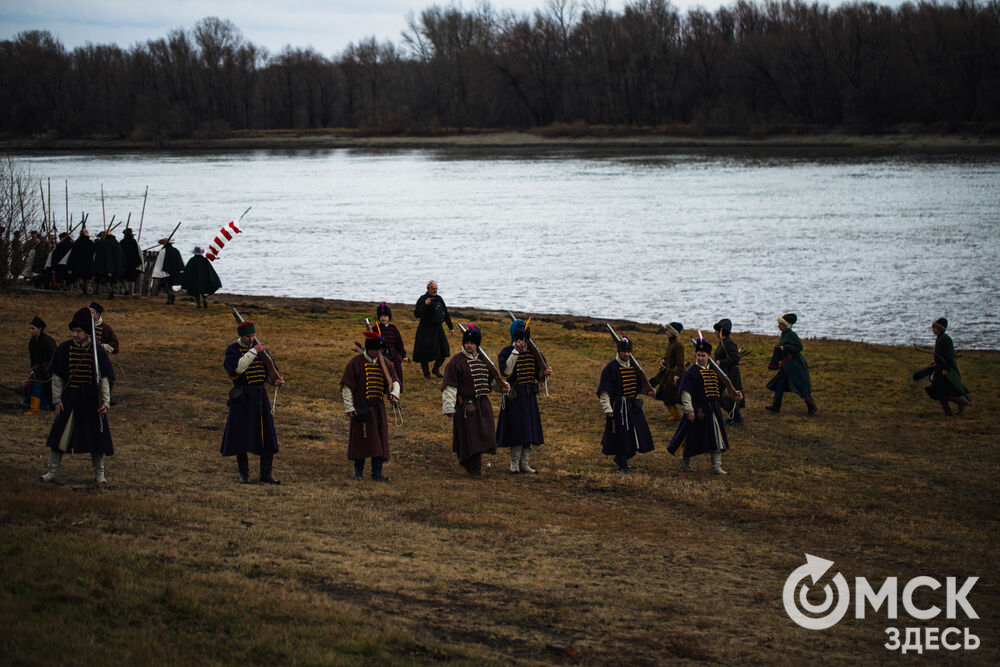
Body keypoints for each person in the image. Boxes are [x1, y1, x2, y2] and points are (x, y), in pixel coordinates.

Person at [40, 307, 115, 484]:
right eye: (73, 331)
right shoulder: (64, 348)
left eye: (78, 331)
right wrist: (57, 400)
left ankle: (99, 475)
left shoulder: (98, 351)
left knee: (97, 439)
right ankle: (51, 472)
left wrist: (106, 401)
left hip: (91, 399)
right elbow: (57, 378)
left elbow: (103, 379)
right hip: (70, 397)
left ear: (86, 332)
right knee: (59, 437)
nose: (75, 334)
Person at [220, 320, 285, 484]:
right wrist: (254, 351)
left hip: (260, 396)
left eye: (253, 335)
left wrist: (274, 381)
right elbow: (237, 369)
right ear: (241, 336)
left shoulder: (261, 350)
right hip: (242, 397)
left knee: (267, 436)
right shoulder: (233, 350)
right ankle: (244, 474)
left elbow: (269, 372)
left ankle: (266, 475)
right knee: (241, 437)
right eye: (248, 336)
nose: (251, 339)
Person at [667, 336, 743, 474]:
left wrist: (735, 394)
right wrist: (689, 410)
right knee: (691, 438)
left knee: (717, 437)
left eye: (703, 355)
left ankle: (716, 466)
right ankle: (686, 461)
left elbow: (722, 389)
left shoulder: (714, 372)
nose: (700, 358)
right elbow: (685, 393)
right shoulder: (691, 372)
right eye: (698, 355)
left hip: (713, 409)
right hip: (697, 409)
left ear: (708, 356)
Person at [441, 324, 508, 476]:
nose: (469, 345)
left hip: (483, 405)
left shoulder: (484, 361)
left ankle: (471, 464)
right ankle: (473, 467)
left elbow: (492, 382)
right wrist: (449, 408)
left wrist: (503, 387)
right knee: (469, 438)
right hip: (466, 407)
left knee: (484, 435)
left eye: (472, 343)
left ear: (477, 344)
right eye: (466, 342)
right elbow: (449, 387)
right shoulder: (456, 362)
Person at [341, 330, 401, 481]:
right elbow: (347, 387)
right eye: (376, 350)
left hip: (378, 409)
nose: (378, 353)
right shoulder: (355, 363)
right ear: (369, 349)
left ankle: (377, 472)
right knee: (360, 441)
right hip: (361, 408)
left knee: (380, 440)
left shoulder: (385, 363)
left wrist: (394, 394)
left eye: (380, 350)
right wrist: (349, 407)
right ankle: (358, 471)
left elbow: (395, 381)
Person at [496, 319, 552, 473]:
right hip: (515, 397)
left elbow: (539, 376)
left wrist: (545, 372)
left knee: (529, 430)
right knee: (517, 431)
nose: (522, 342)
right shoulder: (507, 352)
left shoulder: (534, 352)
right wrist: (515, 351)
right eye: (519, 338)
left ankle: (524, 463)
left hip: (529, 396)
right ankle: (514, 463)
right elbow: (506, 372)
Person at [597, 335, 655, 474]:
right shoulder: (610, 368)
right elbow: (604, 391)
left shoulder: (634, 367)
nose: (626, 354)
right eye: (624, 351)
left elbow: (638, 387)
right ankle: (622, 465)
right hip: (618, 407)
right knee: (621, 438)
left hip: (632, 406)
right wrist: (607, 408)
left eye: (629, 351)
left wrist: (649, 392)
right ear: (619, 351)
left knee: (638, 435)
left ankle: (622, 459)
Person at [914, 317, 971, 416]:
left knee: (942, 392)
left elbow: (949, 356)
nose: (933, 331)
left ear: (940, 329)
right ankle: (948, 412)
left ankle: (960, 402)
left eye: (934, 328)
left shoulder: (945, 339)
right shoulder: (940, 338)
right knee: (939, 391)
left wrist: (946, 369)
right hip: (939, 369)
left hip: (945, 370)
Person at [765, 313, 817, 415]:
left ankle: (812, 406)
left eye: (781, 324)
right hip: (786, 365)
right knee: (779, 383)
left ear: (786, 325)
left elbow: (799, 347)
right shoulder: (784, 334)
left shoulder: (791, 334)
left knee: (801, 385)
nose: (778, 326)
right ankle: (776, 406)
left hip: (795, 365)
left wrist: (785, 348)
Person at [413, 281, 454, 379]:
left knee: (444, 350)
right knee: (424, 353)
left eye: (436, 289)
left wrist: (451, 327)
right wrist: (425, 305)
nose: (435, 290)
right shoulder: (423, 299)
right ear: (428, 289)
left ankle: (436, 369)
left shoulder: (439, 299)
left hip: (438, 328)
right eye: (433, 289)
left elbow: (445, 313)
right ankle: (426, 374)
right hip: (425, 329)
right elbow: (416, 313)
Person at [713, 318, 745, 426]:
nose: (715, 332)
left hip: (730, 374)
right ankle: (733, 417)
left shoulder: (729, 343)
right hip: (723, 373)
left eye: (717, 330)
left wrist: (720, 363)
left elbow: (735, 358)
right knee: (722, 396)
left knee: (730, 396)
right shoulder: (723, 342)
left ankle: (738, 419)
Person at [651, 321, 685, 421]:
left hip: (673, 374)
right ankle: (674, 414)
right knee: (665, 393)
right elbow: (669, 356)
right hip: (668, 373)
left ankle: (678, 415)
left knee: (672, 394)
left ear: (673, 332)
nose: (666, 332)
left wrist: (677, 375)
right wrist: (664, 359)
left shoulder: (679, 345)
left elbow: (680, 363)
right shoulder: (671, 343)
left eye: (668, 330)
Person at [25, 316, 57, 414]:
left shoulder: (48, 341)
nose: (31, 331)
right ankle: (34, 407)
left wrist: (50, 368)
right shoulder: (32, 341)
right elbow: (32, 356)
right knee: (35, 385)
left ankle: (37, 408)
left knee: (45, 387)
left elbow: (54, 356)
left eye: (33, 328)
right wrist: (33, 366)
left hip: (49, 369)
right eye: (30, 328)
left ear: (40, 329)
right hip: (39, 369)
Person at [375, 302, 407, 387]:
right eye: (381, 316)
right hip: (382, 354)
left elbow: (399, 343)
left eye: (385, 316)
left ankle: (397, 388)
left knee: (397, 370)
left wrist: (403, 355)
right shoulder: (375, 328)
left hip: (394, 354)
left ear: (389, 317)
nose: (383, 318)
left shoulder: (393, 328)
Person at [92, 230, 126, 298]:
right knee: (113, 279)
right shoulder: (116, 243)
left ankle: (109, 290)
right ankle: (111, 290)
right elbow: (120, 255)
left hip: (105, 265)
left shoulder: (103, 243)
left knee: (104, 279)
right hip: (115, 266)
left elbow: (99, 256)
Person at [150, 237, 184, 304]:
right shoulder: (175, 250)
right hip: (174, 272)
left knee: (164, 285)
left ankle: (170, 296)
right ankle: (169, 299)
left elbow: (159, 263)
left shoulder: (163, 251)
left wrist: (157, 272)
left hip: (165, 272)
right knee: (169, 285)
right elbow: (180, 262)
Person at [69, 227, 96, 294]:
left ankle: (81, 286)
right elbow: (94, 253)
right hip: (88, 262)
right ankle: (86, 289)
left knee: (80, 276)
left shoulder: (77, 243)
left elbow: (73, 254)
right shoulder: (91, 243)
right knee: (87, 277)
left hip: (78, 262)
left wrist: (70, 264)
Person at [119, 227, 143, 295]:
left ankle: (127, 290)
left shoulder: (122, 242)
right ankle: (131, 292)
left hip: (125, 262)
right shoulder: (134, 241)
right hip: (133, 262)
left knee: (124, 277)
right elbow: (137, 252)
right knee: (132, 278)